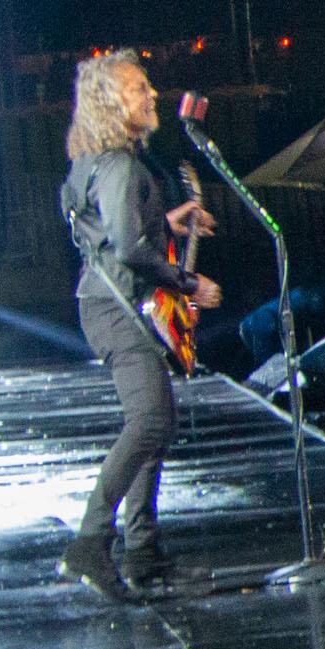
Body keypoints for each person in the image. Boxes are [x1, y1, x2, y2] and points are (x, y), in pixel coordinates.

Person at [57, 51, 218, 602]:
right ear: (111, 103)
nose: (152, 96)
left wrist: (171, 221)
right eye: (139, 88)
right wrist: (188, 284)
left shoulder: (96, 163)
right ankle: (90, 542)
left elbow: (112, 234)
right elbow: (128, 249)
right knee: (149, 420)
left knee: (156, 423)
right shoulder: (121, 167)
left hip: (106, 304)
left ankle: (143, 554)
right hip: (118, 308)